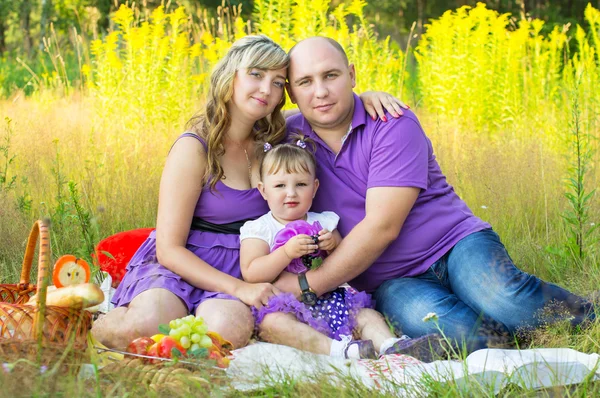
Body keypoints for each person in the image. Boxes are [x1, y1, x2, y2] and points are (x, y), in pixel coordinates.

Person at [266, 36, 595, 354]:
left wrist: (309, 285)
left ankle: (587, 314)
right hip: (393, 282)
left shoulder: (390, 121)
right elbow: (237, 128)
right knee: (464, 336)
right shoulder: (290, 138)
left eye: (331, 75)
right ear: (291, 92)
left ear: (351, 74)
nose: (321, 91)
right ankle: (514, 340)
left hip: (455, 245)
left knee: (504, 301)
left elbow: (382, 226)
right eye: (305, 82)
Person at [91, 35, 406, 350]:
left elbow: (328, 110)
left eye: (278, 82)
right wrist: (238, 288)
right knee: (147, 323)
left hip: (247, 266)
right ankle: (87, 321)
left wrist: (364, 97)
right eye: (256, 74)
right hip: (184, 263)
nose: (266, 89)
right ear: (230, 76)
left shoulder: (279, 140)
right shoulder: (194, 147)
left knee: (228, 332)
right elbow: (169, 249)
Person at [239, 141, 445, 360]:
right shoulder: (260, 228)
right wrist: (286, 253)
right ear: (263, 190)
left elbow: (342, 255)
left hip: (331, 300)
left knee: (365, 315)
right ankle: (342, 351)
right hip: (288, 306)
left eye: (301, 184)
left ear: (315, 187)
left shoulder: (324, 221)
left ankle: (391, 346)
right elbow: (252, 272)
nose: (291, 193)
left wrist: (331, 244)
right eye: (280, 186)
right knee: (273, 324)